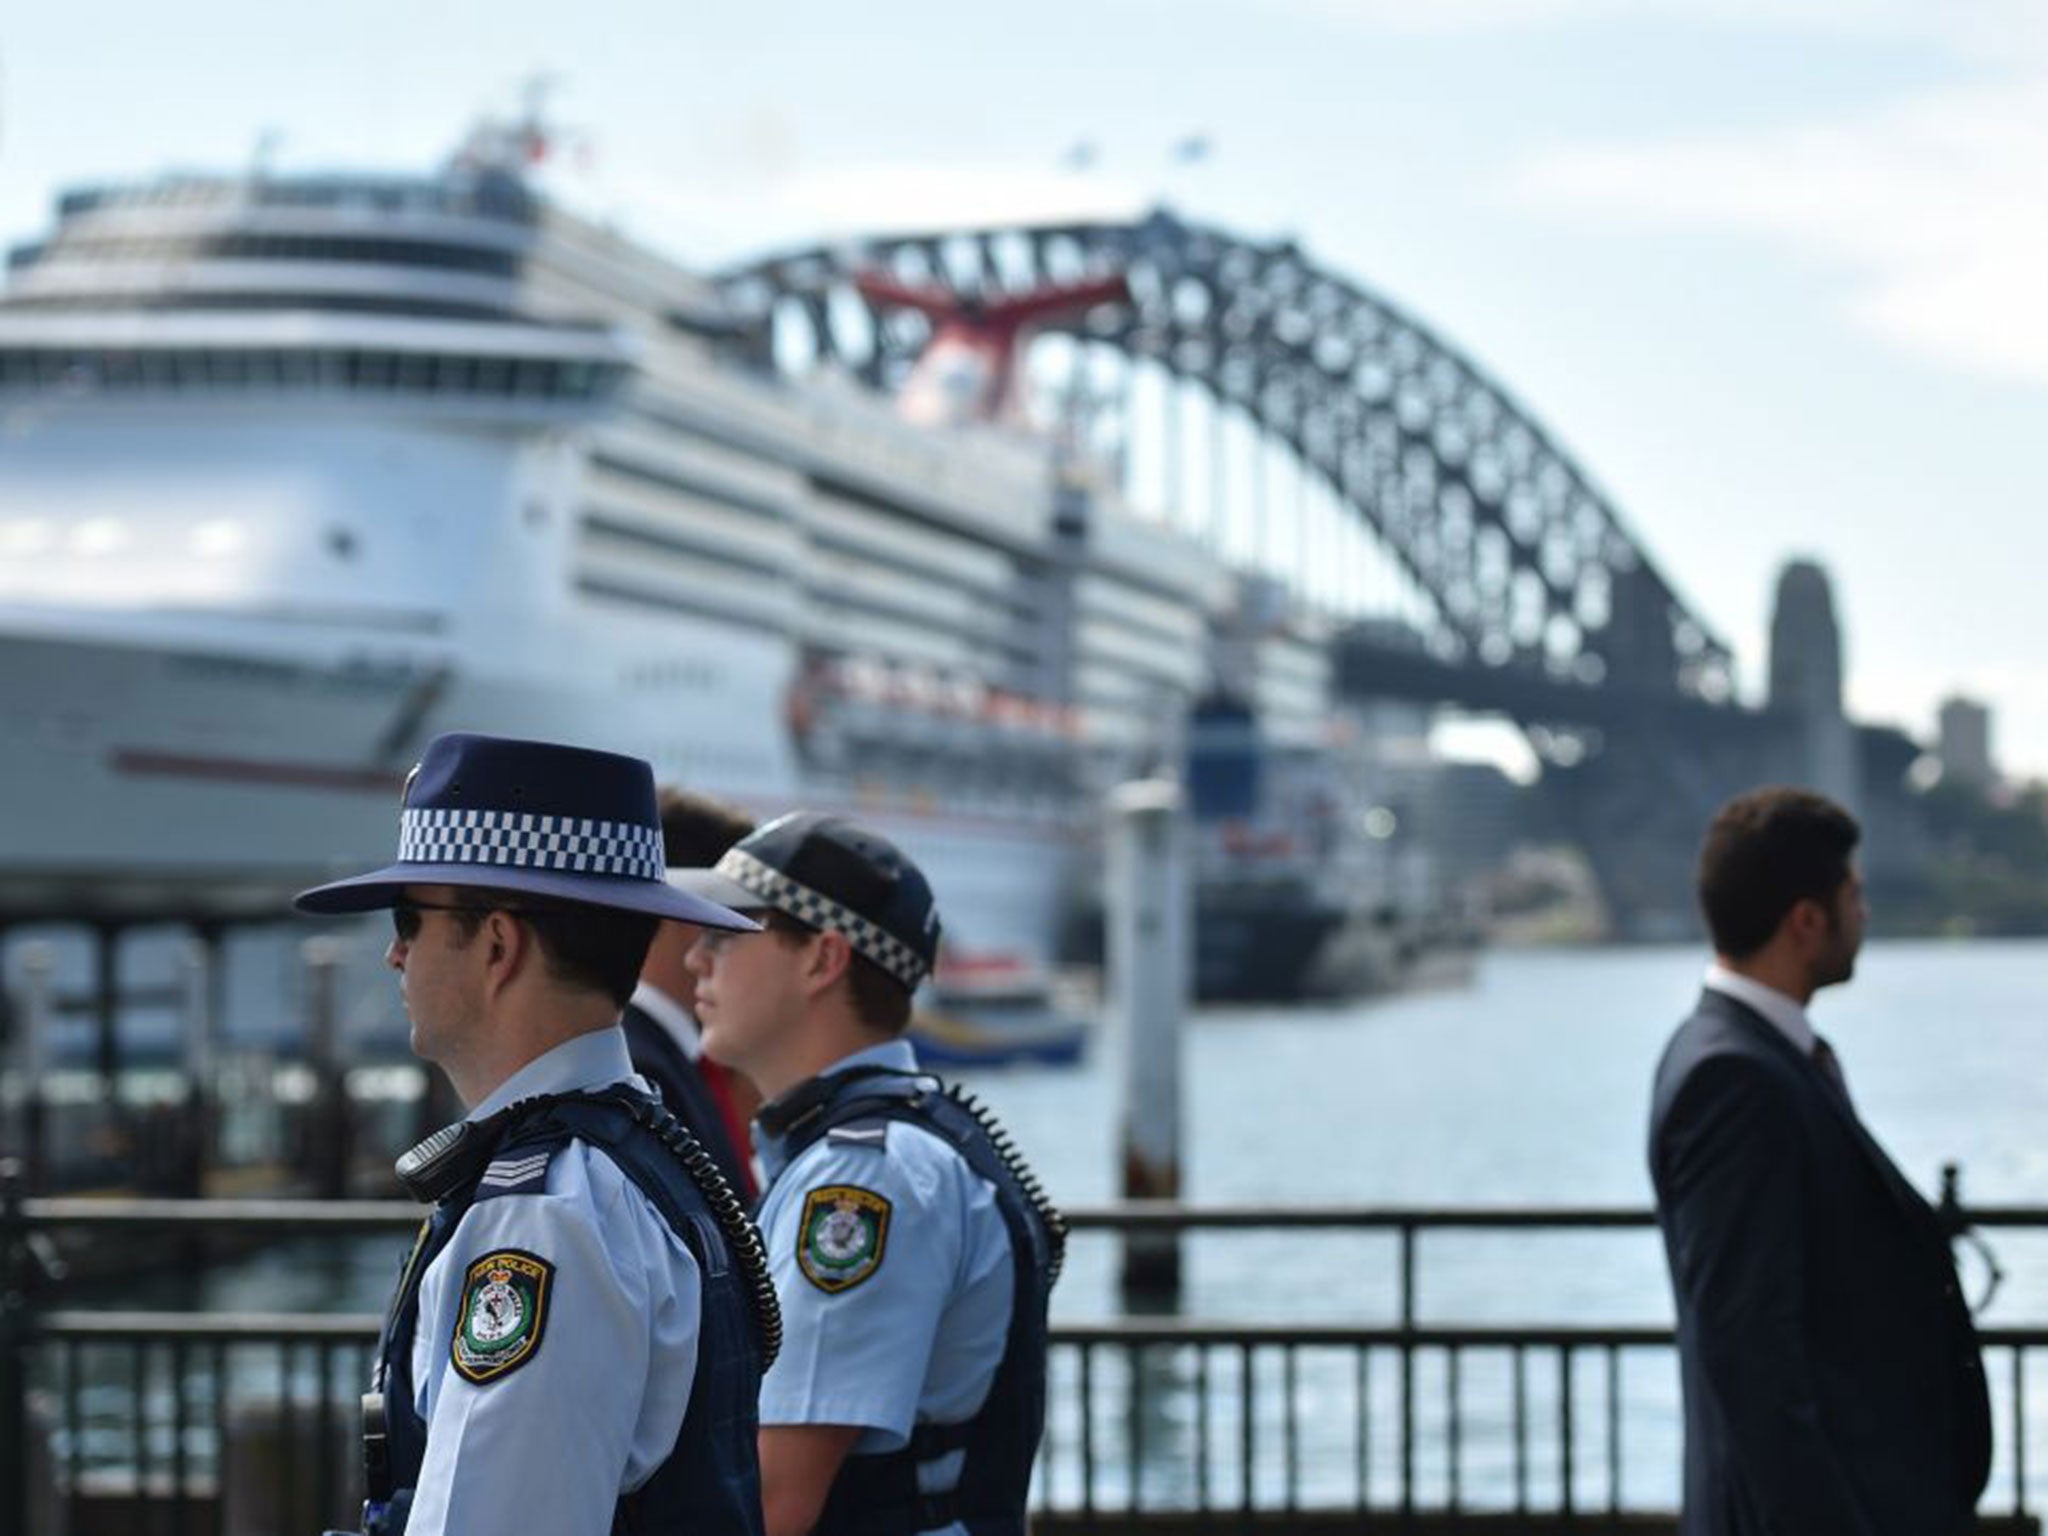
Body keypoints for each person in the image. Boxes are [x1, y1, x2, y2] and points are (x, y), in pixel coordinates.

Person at [296, 732, 781, 1536]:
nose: (393, 953)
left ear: (496, 944)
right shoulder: (628, 1155)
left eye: (410, 917)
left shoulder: (545, 1213)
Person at [672, 812, 1064, 1536]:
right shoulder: (878, 1147)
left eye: (727, 931)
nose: (695, 957)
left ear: (822, 960)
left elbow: (773, 1502)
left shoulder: (859, 1181)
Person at [1648, 786, 1989, 1536]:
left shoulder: (1744, 1055)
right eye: (1854, 895)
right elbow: (1750, 1361)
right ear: (1807, 920)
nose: (1864, 914)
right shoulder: (1733, 1080)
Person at [625, 787, 763, 1199]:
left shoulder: (659, 1058)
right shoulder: (641, 1072)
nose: (752, 936)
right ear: (691, 911)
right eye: (740, 915)